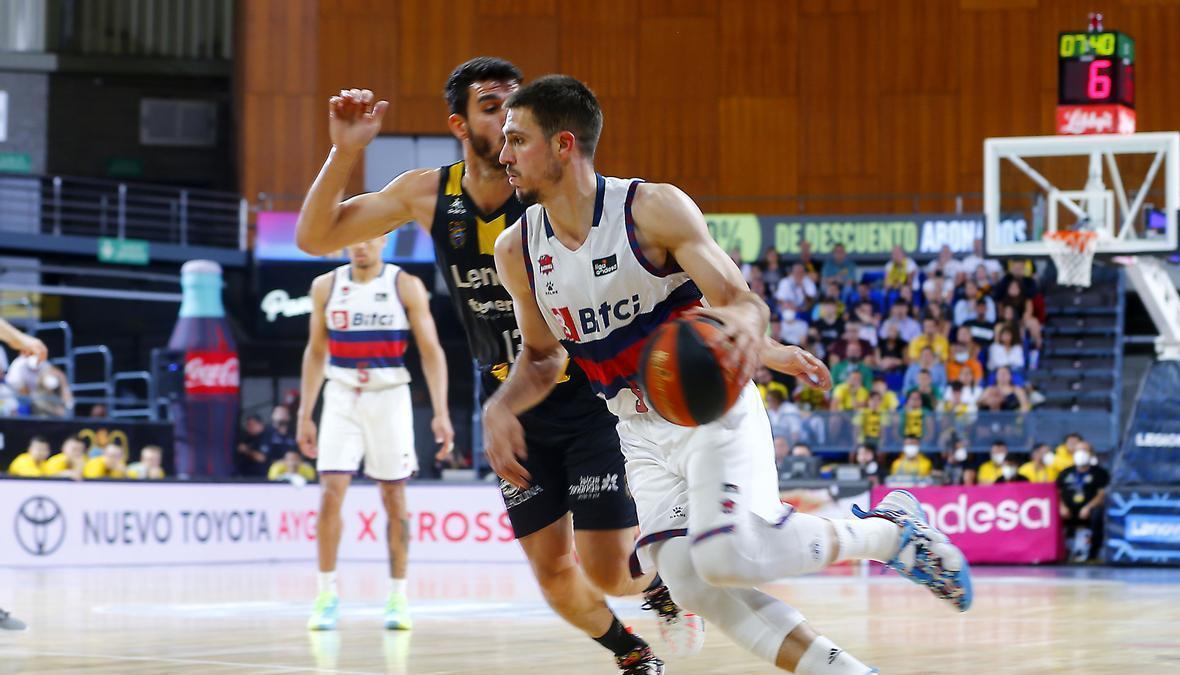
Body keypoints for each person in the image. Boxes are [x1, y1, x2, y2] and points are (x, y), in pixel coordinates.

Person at [486, 74, 970, 673]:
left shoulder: (651, 209)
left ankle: (891, 532)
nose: (501, 154)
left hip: (709, 409)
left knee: (724, 555)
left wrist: (753, 335)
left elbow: (739, 300)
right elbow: (541, 357)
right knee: (689, 582)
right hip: (635, 432)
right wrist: (501, 406)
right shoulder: (517, 250)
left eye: (515, 139)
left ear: (563, 144)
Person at [293, 59, 704, 667]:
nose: (509, 119)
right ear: (459, 124)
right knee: (552, 574)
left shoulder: (549, 192)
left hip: (587, 395)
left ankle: (663, 589)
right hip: (514, 410)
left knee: (613, 572)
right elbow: (315, 237)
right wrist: (343, 151)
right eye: (492, 108)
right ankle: (632, 654)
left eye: (516, 108)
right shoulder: (428, 192)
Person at [293, 233, 451, 633]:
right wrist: (305, 413)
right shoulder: (326, 286)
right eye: (352, 239)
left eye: (368, 238)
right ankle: (326, 594)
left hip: (389, 394)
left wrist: (440, 411)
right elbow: (315, 352)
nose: (359, 245)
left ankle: (398, 595)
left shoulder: (404, 285)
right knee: (330, 493)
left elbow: (431, 350)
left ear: (383, 240)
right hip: (342, 393)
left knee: (394, 496)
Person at [1056, 442, 1109, 562]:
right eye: (1078, 450)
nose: (1081, 453)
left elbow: (1102, 495)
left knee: (1098, 513)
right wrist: (1062, 506)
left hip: (1089, 509)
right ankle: (1059, 551)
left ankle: (1093, 552)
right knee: (1053, 513)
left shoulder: (1100, 473)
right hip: (1068, 509)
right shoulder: (1065, 473)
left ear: (1091, 454)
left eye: (1085, 450)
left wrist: (1088, 507)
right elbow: (1057, 493)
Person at [235, 413, 269, 478]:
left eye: (251, 425)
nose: (249, 428)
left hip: (261, 478)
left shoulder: (267, 436)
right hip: (245, 476)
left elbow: (262, 458)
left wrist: (246, 450)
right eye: (248, 425)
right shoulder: (248, 437)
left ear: (259, 424)